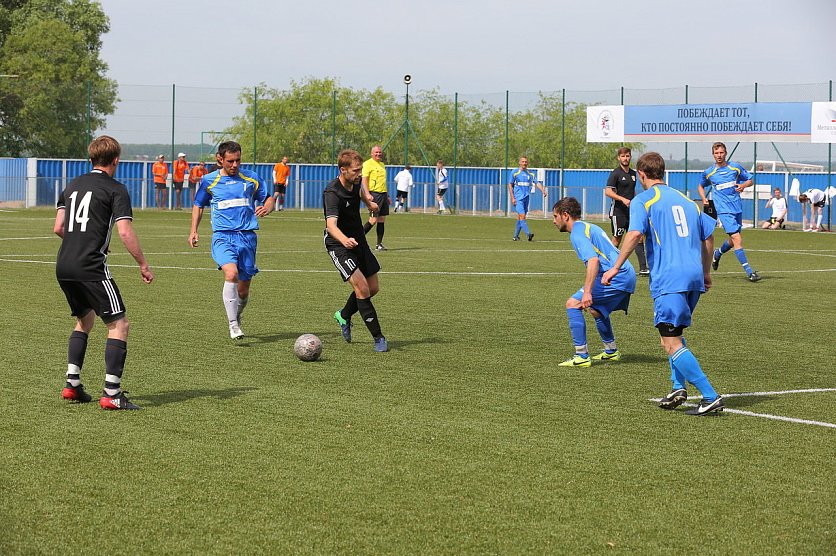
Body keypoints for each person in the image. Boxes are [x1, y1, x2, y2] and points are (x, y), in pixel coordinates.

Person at [602, 152, 724, 416]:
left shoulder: (644, 200)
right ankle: (678, 387)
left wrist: (615, 267)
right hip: (693, 276)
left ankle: (710, 395)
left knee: (670, 341)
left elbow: (634, 233)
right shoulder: (687, 201)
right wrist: (706, 272)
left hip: (670, 278)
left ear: (641, 175)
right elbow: (709, 236)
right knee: (673, 334)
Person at [53, 135, 154, 411]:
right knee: (120, 325)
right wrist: (143, 264)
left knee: (85, 319)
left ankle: (72, 384)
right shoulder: (115, 189)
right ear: (116, 160)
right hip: (91, 266)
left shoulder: (72, 185)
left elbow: (59, 227)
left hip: (64, 264)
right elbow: (125, 232)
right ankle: (112, 392)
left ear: (91, 159)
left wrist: (79, 243)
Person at [188, 141, 275, 340]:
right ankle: (233, 325)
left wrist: (267, 208)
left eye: (238, 160)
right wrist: (193, 230)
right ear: (220, 159)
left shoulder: (251, 178)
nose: (235, 165)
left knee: (243, 291)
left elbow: (268, 198)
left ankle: (237, 314)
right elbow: (198, 205)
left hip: (247, 238)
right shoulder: (209, 180)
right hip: (222, 236)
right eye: (230, 161)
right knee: (231, 273)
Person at [552, 197, 636, 367]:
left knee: (573, 304)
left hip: (617, 276)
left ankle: (581, 356)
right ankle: (611, 351)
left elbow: (593, 261)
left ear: (565, 215)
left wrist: (588, 292)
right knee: (596, 310)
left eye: (555, 216)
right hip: (624, 273)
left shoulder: (577, 232)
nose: (554, 221)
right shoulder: (588, 227)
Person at [325, 149, 388, 352]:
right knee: (362, 288)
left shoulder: (356, 183)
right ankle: (378, 338)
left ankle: (344, 315)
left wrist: (369, 203)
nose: (360, 174)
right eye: (355, 170)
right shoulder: (332, 192)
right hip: (339, 245)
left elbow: (361, 193)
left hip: (358, 240)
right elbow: (331, 226)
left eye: (360, 169)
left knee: (373, 288)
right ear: (343, 170)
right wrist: (344, 240)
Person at [698, 142, 761, 282]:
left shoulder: (735, 167)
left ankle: (718, 253)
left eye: (721, 152)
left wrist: (743, 185)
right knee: (737, 239)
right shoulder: (709, 173)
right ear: (713, 155)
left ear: (725, 153)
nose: (719, 155)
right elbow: (701, 186)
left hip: (737, 208)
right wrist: (703, 198)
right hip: (723, 210)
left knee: (732, 241)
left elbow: (750, 180)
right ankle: (750, 272)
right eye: (716, 153)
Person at [605, 147, 649, 275]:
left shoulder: (633, 174)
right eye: (623, 156)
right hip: (618, 212)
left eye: (627, 156)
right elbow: (608, 191)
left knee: (638, 237)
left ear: (630, 157)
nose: (625, 158)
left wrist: (635, 202)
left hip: (631, 212)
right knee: (617, 239)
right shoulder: (615, 173)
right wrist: (622, 199)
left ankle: (643, 268)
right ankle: (609, 265)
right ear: (619, 158)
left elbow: (632, 191)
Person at [508, 156, 546, 241]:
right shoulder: (515, 172)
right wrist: (512, 197)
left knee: (520, 217)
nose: (524, 163)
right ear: (519, 163)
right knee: (522, 215)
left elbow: (537, 182)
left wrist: (543, 191)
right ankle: (528, 234)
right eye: (523, 161)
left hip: (526, 197)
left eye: (526, 162)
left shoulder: (530, 173)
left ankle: (515, 236)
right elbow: (510, 184)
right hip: (518, 198)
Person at [361, 145, 389, 250]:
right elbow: (364, 180)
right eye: (376, 152)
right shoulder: (367, 164)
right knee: (373, 220)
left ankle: (379, 244)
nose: (378, 154)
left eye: (379, 152)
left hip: (383, 194)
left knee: (381, 220)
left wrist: (387, 195)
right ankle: (358, 239)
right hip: (374, 195)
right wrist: (367, 194)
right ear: (372, 153)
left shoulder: (382, 164)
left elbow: (383, 181)